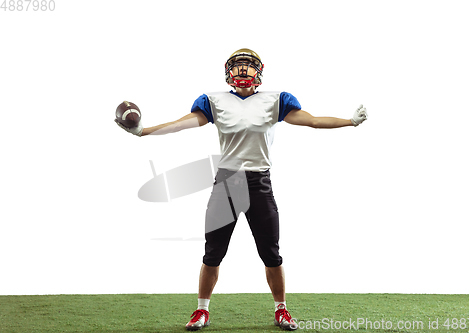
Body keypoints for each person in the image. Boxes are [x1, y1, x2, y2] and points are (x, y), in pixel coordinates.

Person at [116, 48, 368, 331]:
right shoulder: (214, 100)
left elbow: (312, 121)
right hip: (227, 182)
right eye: (238, 66)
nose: (243, 71)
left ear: (259, 71)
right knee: (213, 252)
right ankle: (201, 311)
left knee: (271, 253)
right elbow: (181, 125)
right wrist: (143, 131)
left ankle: (281, 310)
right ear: (229, 72)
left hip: (259, 182)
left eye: (248, 66)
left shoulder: (276, 100)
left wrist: (350, 122)